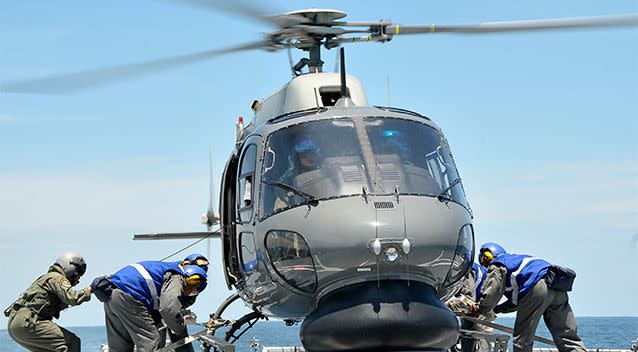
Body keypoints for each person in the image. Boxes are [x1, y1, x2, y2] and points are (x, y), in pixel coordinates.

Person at [475, 242, 586, 352]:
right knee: (568, 337)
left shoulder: (498, 264)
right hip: (557, 285)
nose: (486, 266)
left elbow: (492, 293)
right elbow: (518, 301)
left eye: (485, 260)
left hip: (536, 287)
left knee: (522, 340)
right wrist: (497, 309)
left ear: (491, 256)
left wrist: (480, 309)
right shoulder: (518, 262)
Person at [102, 258, 207, 352]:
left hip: (110, 294)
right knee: (149, 343)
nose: (189, 291)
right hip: (130, 295)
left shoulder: (165, 269)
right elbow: (169, 309)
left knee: (120, 346)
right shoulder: (177, 276)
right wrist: (179, 328)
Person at [4, 252, 92, 352]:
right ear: (69, 266)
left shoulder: (48, 277)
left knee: (53, 349)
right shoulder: (57, 277)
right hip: (28, 323)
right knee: (72, 342)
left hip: (17, 325)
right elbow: (73, 298)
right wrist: (91, 289)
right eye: (76, 275)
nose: (77, 279)